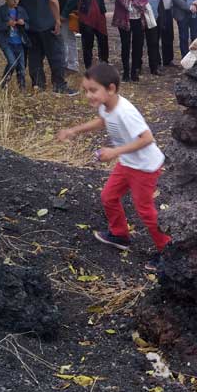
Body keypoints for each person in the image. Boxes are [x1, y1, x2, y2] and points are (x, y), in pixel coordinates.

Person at [56, 62, 170, 269]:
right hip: (128, 163)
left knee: (144, 209)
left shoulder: (125, 112)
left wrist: (113, 152)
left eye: (93, 90)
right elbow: (103, 121)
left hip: (145, 166)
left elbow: (147, 138)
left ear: (111, 89)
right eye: (86, 91)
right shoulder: (106, 105)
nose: (89, 95)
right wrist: (75, 130)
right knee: (108, 196)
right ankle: (119, 235)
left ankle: (168, 251)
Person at [15, 0, 78, 95]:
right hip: (48, 23)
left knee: (34, 55)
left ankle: (38, 85)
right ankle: (59, 85)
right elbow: (52, 0)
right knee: (56, 54)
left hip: (29, 24)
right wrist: (57, 20)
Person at [111, 0, 151, 82]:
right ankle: (126, 72)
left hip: (138, 18)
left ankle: (135, 71)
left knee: (138, 45)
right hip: (124, 18)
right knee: (125, 45)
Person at [0, 0, 30, 91]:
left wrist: (23, 23)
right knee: (12, 62)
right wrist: (6, 24)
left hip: (19, 42)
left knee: (21, 66)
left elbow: (29, 25)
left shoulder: (21, 10)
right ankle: (4, 84)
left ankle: (22, 88)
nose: (15, 1)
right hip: (6, 42)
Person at [76, 0, 111, 71]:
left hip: (99, 16)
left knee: (103, 40)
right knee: (87, 43)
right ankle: (88, 67)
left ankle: (104, 63)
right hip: (86, 17)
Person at [141, 0, 164, 72]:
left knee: (154, 42)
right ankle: (137, 66)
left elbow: (161, 2)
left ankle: (154, 67)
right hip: (141, 18)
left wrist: (161, 17)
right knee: (139, 42)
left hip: (155, 17)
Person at [153, 0, 176, 66]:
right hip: (157, 12)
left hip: (168, 11)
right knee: (156, 36)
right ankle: (156, 61)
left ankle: (168, 60)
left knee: (169, 36)